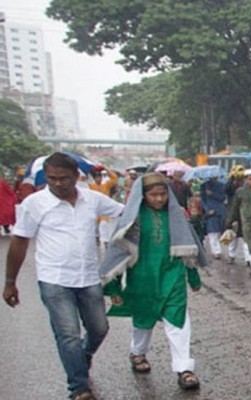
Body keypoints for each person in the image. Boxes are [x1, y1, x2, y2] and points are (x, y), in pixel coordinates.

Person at [3, 152, 124, 400]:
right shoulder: (34, 204)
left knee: (99, 328)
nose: (58, 183)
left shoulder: (93, 199)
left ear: (76, 176)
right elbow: (19, 243)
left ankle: (82, 356)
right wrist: (10, 282)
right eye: (52, 178)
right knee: (67, 334)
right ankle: (79, 387)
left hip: (89, 277)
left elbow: (125, 212)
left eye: (63, 178)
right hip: (54, 280)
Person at [101, 172, 206, 391]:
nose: (159, 199)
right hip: (143, 279)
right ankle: (138, 352)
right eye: (153, 195)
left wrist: (193, 277)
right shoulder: (133, 220)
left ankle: (184, 369)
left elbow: (187, 248)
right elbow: (120, 253)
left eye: (162, 194)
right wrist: (113, 287)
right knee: (143, 321)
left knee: (178, 322)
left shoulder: (176, 216)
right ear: (143, 195)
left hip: (172, 277)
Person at [200, 175, 227, 259]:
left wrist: (212, 194)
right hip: (210, 210)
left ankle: (217, 249)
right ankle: (216, 251)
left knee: (219, 232)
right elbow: (203, 200)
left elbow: (222, 198)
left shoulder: (221, 185)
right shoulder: (204, 186)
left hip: (220, 211)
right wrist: (207, 210)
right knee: (212, 231)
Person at [224, 165, 246, 264]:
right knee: (233, 236)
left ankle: (249, 259)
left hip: (244, 214)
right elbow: (226, 189)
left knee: (247, 238)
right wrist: (232, 176)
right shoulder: (231, 185)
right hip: (233, 213)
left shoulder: (245, 185)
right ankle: (231, 256)